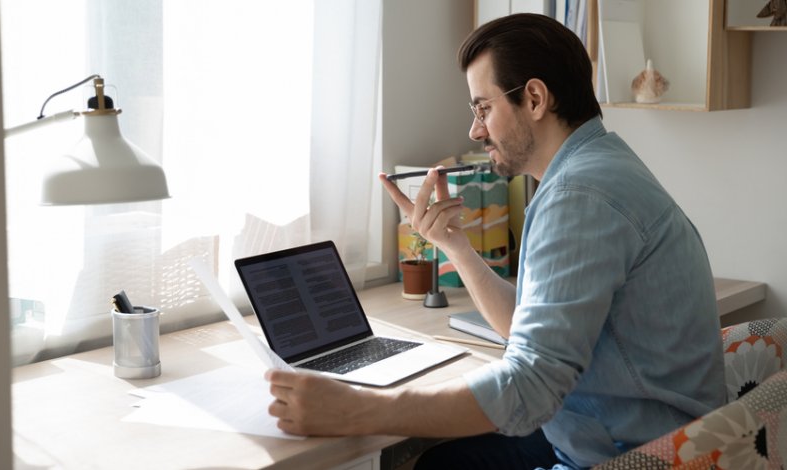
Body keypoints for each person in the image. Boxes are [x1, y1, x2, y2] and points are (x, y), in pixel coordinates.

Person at [265, 13, 725, 469]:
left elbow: (530, 388)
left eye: (483, 108)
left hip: (632, 455)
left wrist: (357, 408)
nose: (475, 130)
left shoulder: (577, 196)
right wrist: (456, 246)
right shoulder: (599, 163)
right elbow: (528, 331)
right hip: (621, 430)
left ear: (535, 98)